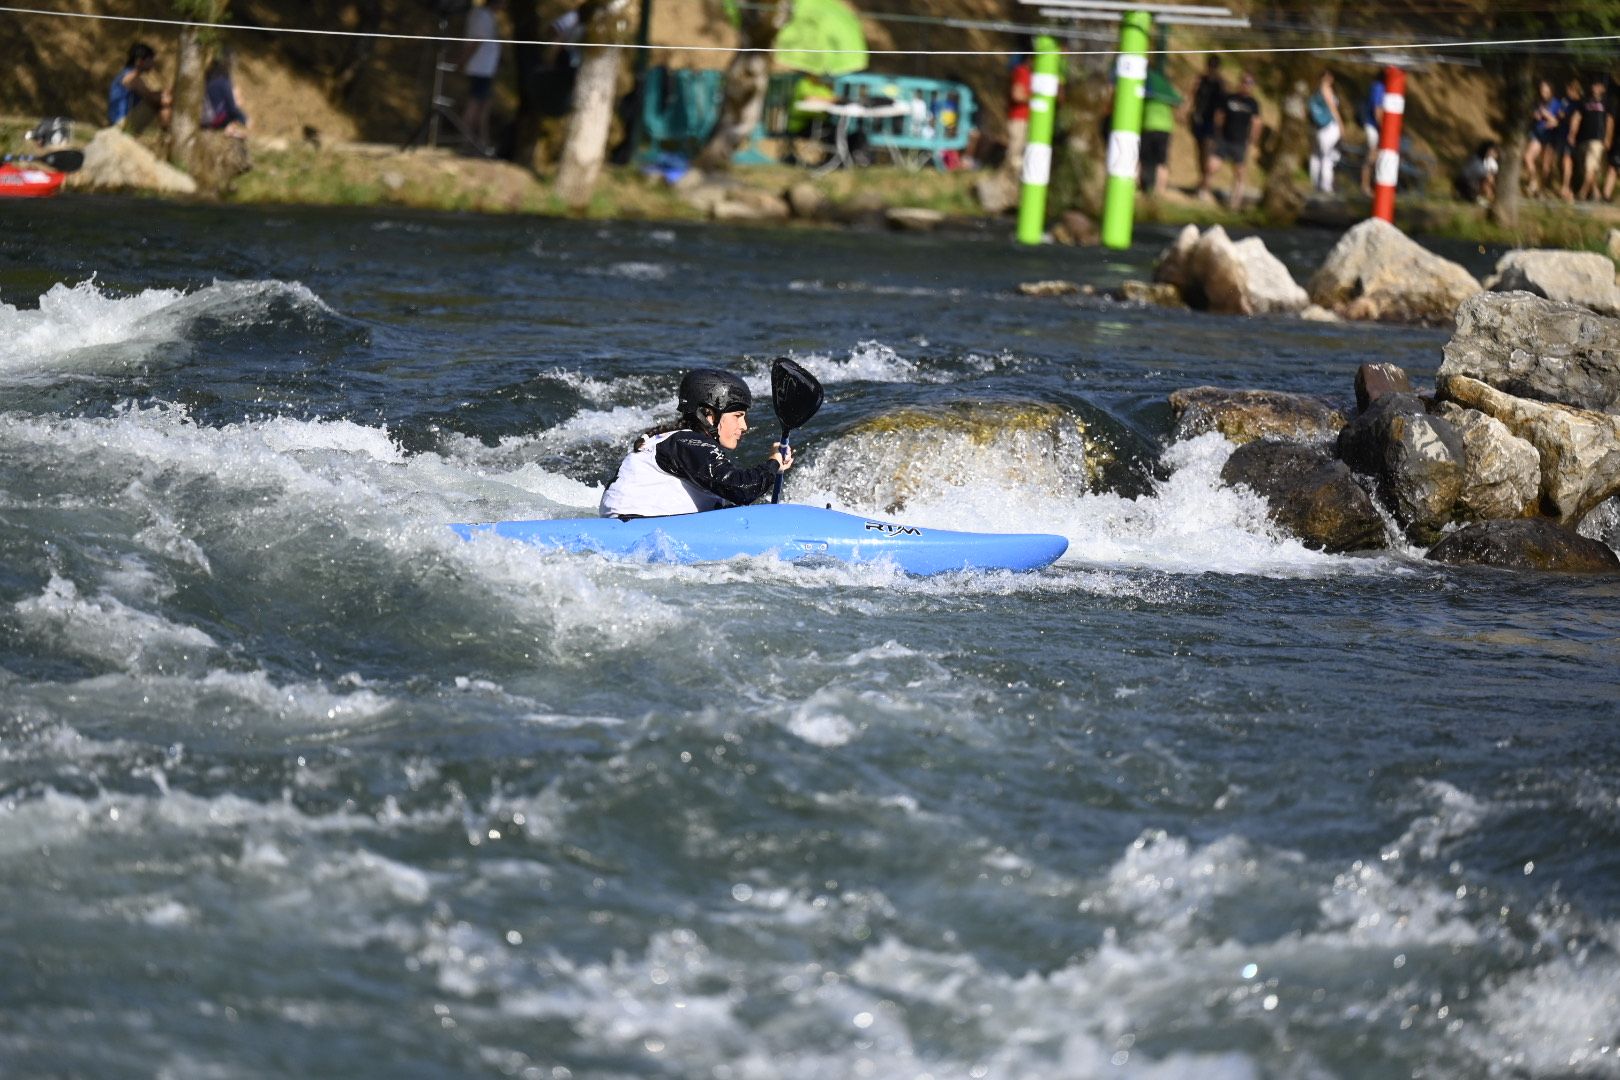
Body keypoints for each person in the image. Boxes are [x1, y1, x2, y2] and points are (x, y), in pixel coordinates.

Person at [599, 369, 793, 519]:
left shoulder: (677, 440)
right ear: (709, 414)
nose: (744, 426)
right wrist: (773, 463)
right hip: (635, 528)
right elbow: (741, 488)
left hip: (629, 526)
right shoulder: (689, 441)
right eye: (737, 416)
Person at [456, 0, 507, 155]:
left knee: (483, 106)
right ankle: (466, 141)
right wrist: (462, 61)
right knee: (475, 106)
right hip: (480, 68)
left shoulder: (487, 16)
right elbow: (476, 41)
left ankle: (480, 143)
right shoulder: (482, 16)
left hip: (485, 69)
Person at [1209, 71, 1262, 207]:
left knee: (1239, 173)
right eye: (1244, 82)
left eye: (1249, 83)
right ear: (1240, 82)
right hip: (1225, 139)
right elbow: (1219, 116)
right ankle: (1204, 191)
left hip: (1240, 142)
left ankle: (1235, 202)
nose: (1246, 85)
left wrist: (1253, 141)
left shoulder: (1253, 103)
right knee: (1212, 166)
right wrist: (1217, 133)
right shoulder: (1229, 98)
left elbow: (1256, 124)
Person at [108, 42, 172, 134]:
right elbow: (151, 98)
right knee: (162, 105)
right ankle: (167, 137)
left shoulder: (126, 73)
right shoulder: (132, 78)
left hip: (119, 120)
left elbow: (149, 94)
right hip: (121, 123)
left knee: (161, 100)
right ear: (140, 61)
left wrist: (165, 94)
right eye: (150, 60)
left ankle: (167, 137)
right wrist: (172, 98)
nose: (152, 63)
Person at [1139, 65, 1182, 195]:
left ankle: (1137, 187)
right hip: (1165, 129)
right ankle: (1160, 190)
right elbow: (1179, 102)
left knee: (1142, 159)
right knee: (1161, 162)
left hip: (1149, 126)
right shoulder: (1167, 91)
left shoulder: (1147, 87)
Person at [1189, 56, 1225, 198]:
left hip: (1211, 123)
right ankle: (1202, 181)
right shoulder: (1201, 80)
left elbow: (1221, 108)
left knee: (1207, 152)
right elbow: (1193, 96)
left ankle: (1205, 184)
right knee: (1200, 153)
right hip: (1199, 120)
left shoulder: (1220, 85)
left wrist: (1219, 125)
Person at [1571, 78, 1612, 201]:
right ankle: (1596, 193)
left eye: (1598, 85)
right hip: (1583, 138)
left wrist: (1608, 137)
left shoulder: (1607, 103)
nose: (1595, 87)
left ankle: (1582, 193)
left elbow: (1610, 121)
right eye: (1594, 84)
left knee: (1590, 166)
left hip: (1597, 140)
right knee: (1587, 168)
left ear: (1603, 89)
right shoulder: (1584, 101)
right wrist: (1572, 134)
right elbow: (1576, 117)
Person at [1522, 79, 1563, 197]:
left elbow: (1558, 122)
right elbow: (1534, 115)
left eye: (1545, 90)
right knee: (1527, 157)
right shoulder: (1538, 103)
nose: (1543, 93)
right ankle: (1533, 181)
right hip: (1537, 134)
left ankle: (1542, 189)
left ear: (1551, 91)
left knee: (1545, 166)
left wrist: (1547, 116)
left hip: (1550, 136)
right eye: (1541, 90)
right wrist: (1535, 115)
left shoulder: (1557, 104)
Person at [1307, 70, 1343, 195]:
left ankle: (1316, 183)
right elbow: (1332, 108)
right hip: (1328, 126)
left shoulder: (1316, 90)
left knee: (1316, 155)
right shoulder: (1326, 89)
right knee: (1327, 156)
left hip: (1318, 127)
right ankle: (1325, 185)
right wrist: (1340, 123)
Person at [202, 51, 249, 137]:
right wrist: (244, 119)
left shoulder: (207, 76)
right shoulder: (223, 80)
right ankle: (230, 129)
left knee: (235, 97)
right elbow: (231, 106)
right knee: (236, 99)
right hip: (213, 119)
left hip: (203, 117)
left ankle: (229, 128)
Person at [1555, 77, 1583, 200]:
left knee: (1567, 161)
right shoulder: (1565, 101)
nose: (1568, 91)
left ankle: (1566, 188)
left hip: (1571, 136)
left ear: (1575, 90)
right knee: (1562, 161)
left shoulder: (1578, 104)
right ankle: (1566, 187)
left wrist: (1572, 134)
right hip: (1561, 134)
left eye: (1570, 89)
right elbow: (1559, 114)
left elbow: (1576, 120)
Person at [1358, 72, 1385, 197]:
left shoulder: (1379, 87)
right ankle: (1365, 186)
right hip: (1373, 126)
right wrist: (1383, 128)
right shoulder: (1379, 87)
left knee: (1375, 156)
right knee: (1371, 156)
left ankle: (1370, 186)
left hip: (1375, 126)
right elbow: (1377, 110)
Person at [1456, 140, 1499, 204]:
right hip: (1467, 183)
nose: (1493, 153)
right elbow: (1486, 177)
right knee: (1487, 180)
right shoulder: (1476, 160)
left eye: (1494, 151)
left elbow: (1493, 175)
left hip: (1477, 183)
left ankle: (1487, 196)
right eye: (1491, 151)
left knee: (1489, 180)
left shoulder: (1491, 161)